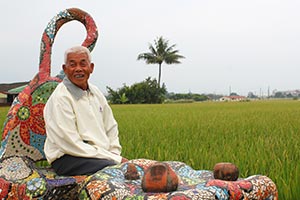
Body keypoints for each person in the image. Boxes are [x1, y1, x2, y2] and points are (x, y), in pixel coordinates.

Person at [44, 46, 128, 176]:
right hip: (70, 157)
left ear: (91, 67)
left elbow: (111, 126)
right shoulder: (61, 98)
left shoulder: (95, 92)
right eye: (72, 65)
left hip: (99, 156)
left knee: (132, 168)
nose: (78, 69)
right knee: (117, 172)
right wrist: (115, 160)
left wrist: (115, 153)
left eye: (83, 64)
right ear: (65, 69)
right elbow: (70, 143)